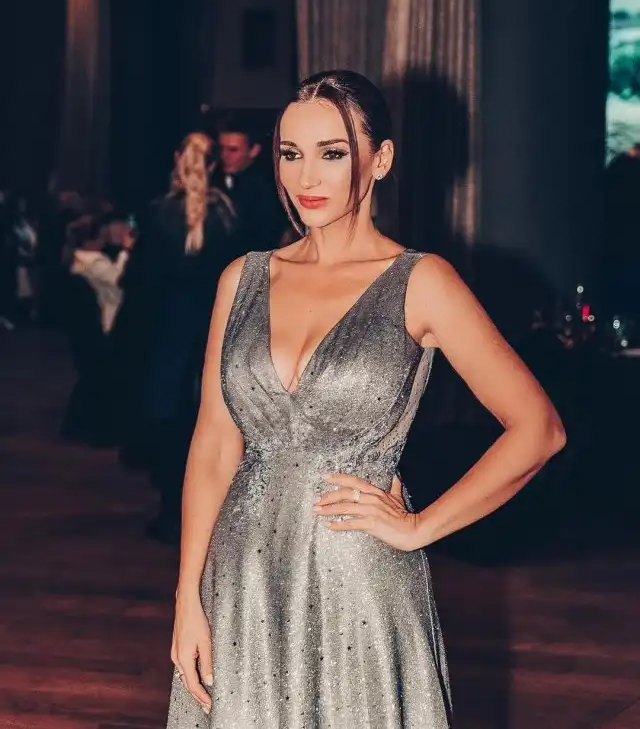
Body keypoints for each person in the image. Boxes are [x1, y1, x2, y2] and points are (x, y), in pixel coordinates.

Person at [166, 71, 566, 727]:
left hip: (356, 579)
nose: (306, 176)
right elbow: (213, 444)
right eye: (291, 153)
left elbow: (538, 428)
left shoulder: (421, 281)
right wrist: (188, 596)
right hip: (240, 578)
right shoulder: (242, 278)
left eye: (332, 152)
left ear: (380, 160)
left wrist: (420, 525)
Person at [118, 132, 238, 543]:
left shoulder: (158, 213)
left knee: (171, 427)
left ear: (176, 159)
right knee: (206, 425)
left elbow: (142, 283)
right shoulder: (227, 214)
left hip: (167, 334)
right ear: (214, 165)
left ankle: (172, 513)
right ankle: (205, 516)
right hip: (212, 332)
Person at [211, 113, 288, 251]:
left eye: (233, 150)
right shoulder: (211, 179)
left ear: (254, 150)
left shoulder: (268, 189)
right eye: (221, 148)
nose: (224, 155)